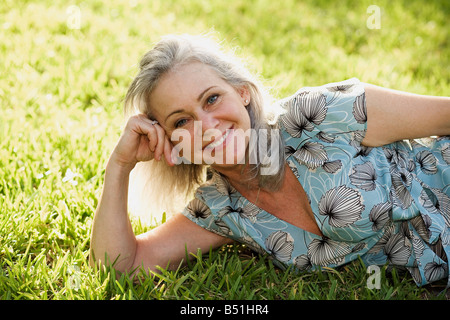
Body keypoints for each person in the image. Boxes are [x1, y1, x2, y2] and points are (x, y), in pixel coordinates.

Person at [90, 34, 450, 287]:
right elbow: (119, 269)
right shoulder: (222, 209)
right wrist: (118, 167)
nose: (207, 126)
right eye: (181, 121)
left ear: (242, 92)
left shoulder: (317, 114)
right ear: (172, 144)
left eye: (212, 99)